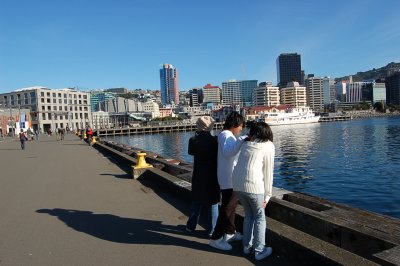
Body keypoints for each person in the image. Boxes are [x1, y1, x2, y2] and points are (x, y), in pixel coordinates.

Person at [232, 122, 275, 261]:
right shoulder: (268, 146)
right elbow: (268, 172)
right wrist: (267, 195)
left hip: (238, 185)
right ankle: (259, 250)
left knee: (249, 215)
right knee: (260, 217)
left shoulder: (246, 144)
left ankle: (246, 246)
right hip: (254, 187)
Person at [209, 111, 247, 251]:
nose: (241, 129)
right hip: (229, 178)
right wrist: (242, 139)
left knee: (230, 206)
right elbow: (228, 152)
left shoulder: (225, 135)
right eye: (241, 126)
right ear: (236, 124)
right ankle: (216, 238)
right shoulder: (226, 135)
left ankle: (230, 233)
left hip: (227, 177)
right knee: (227, 208)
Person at [185, 116, 220, 237]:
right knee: (213, 203)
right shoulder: (215, 141)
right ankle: (212, 230)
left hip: (199, 174)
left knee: (196, 201)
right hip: (213, 175)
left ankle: (190, 227)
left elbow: (191, 152)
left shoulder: (193, 140)